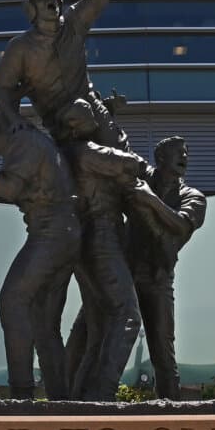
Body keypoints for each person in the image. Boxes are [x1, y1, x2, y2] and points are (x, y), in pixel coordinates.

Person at [0, 115, 81, 400]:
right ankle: (60, 400)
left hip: (52, 232)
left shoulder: (24, 141)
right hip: (65, 234)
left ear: (3, 132)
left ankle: (21, 397)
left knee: (12, 301)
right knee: (43, 324)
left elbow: (10, 189)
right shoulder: (33, 143)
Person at [0, 0, 130, 151]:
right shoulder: (21, 48)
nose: (51, 1)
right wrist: (15, 120)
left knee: (120, 150)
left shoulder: (74, 22)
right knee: (82, 162)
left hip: (91, 104)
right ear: (32, 10)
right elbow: (1, 89)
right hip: (59, 119)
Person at [54, 99, 148, 401]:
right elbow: (131, 162)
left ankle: (76, 397)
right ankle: (102, 392)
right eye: (88, 117)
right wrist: (111, 125)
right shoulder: (87, 152)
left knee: (97, 330)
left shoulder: (65, 155)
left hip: (83, 242)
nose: (94, 120)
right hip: (102, 238)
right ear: (75, 126)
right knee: (128, 316)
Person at [125, 136, 207, 400]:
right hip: (123, 274)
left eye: (186, 152)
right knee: (103, 334)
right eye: (178, 152)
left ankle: (171, 409)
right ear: (160, 159)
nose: (185, 157)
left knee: (162, 347)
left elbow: (181, 226)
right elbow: (120, 151)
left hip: (158, 278)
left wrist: (150, 201)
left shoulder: (193, 196)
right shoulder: (145, 177)